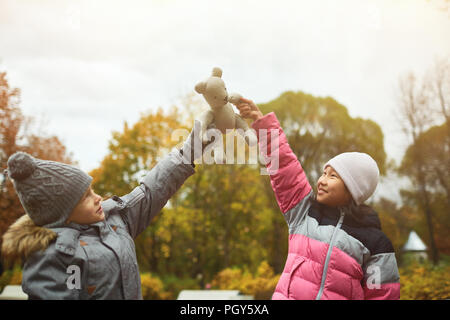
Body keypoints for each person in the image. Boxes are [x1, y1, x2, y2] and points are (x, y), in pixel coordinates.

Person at [1, 121, 207, 299]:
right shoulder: (54, 257)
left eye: (92, 191)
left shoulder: (116, 220)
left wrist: (191, 148)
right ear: (62, 213)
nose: (97, 198)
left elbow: (152, 189)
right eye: (85, 197)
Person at [237, 98, 400, 300]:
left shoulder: (376, 244)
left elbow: (381, 295)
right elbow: (286, 169)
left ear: (353, 189)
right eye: (324, 173)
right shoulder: (304, 213)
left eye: (333, 176)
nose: (322, 181)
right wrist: (262, 124)